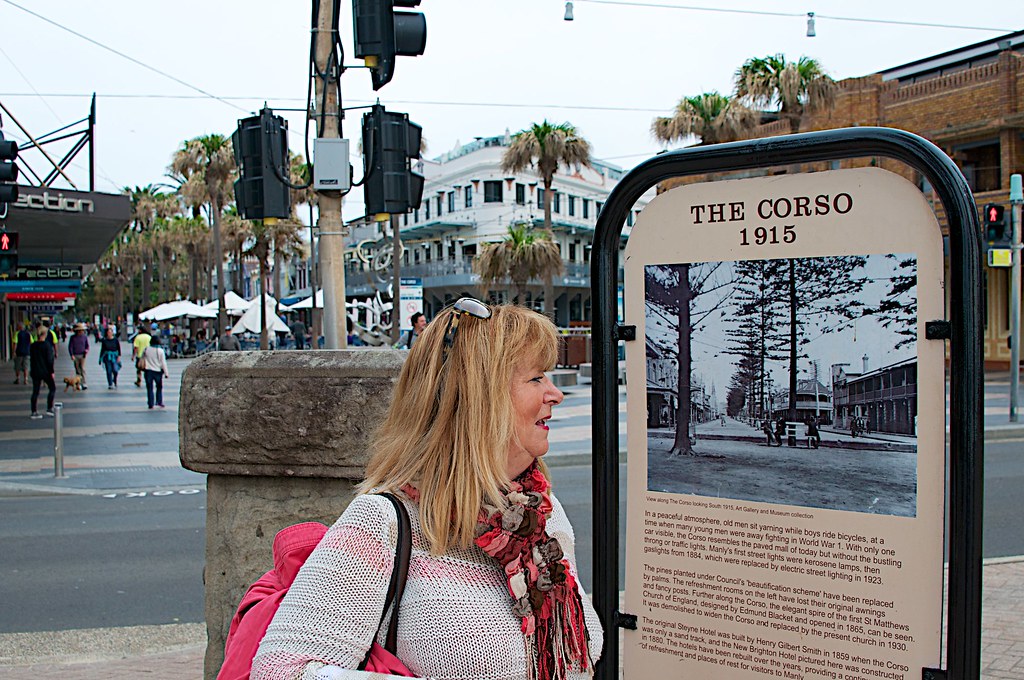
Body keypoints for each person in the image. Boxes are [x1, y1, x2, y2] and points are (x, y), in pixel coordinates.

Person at [252, 300, 603, 680]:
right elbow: (280, 671)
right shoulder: (383, 520)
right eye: (536, 378)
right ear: (477, 398)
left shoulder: (539, 515)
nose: (555, 394)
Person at [29, 324, 56, 419]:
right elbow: (49, 360)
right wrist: (52, 372)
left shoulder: (33, 346)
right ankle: (49, 408)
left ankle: (34, 411)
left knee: (35, 391)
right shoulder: (47, 346)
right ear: (45, 334)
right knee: (52, 388)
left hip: (35, 371)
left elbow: (31, 359)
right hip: (46, 371)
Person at [142, 335, 170, 409]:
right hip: (157, 371)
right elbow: (163, 362)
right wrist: (166, 373)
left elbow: (143, 358)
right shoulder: (160, 350)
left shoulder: (146, 349)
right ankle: (159, 401)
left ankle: (150, 403)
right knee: (159, 387)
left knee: (149, 388)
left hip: (148, 371)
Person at [69, 322, 90, 390]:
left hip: (82, 355)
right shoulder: (73, 338)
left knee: (82, 369)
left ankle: (83, 382)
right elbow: (70, 347)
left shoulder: (84, 337)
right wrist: (71, 354)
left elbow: (87, 345)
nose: (81, 332)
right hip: (75, 355)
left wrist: (86, 350)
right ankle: (79, 383)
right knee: (77, 369)